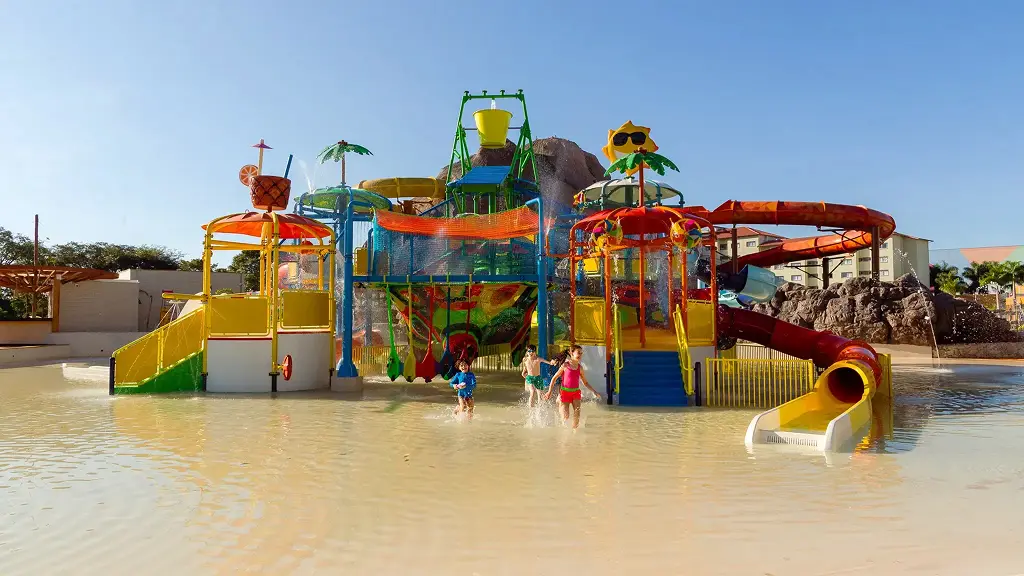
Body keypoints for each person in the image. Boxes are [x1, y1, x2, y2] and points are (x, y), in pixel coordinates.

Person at [544, 345, 601, 429]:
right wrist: (549, 391)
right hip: (565, 393)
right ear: (571, 353)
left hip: (575, 393)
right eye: (578, 353)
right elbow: (554, 378)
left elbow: (585, 382)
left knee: (577, 414)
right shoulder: (565, 365)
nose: (580, 355)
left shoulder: (580, 368)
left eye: (581, 353)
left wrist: (594, 391)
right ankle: (559, 401)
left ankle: (574, 434)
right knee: (565, 417)